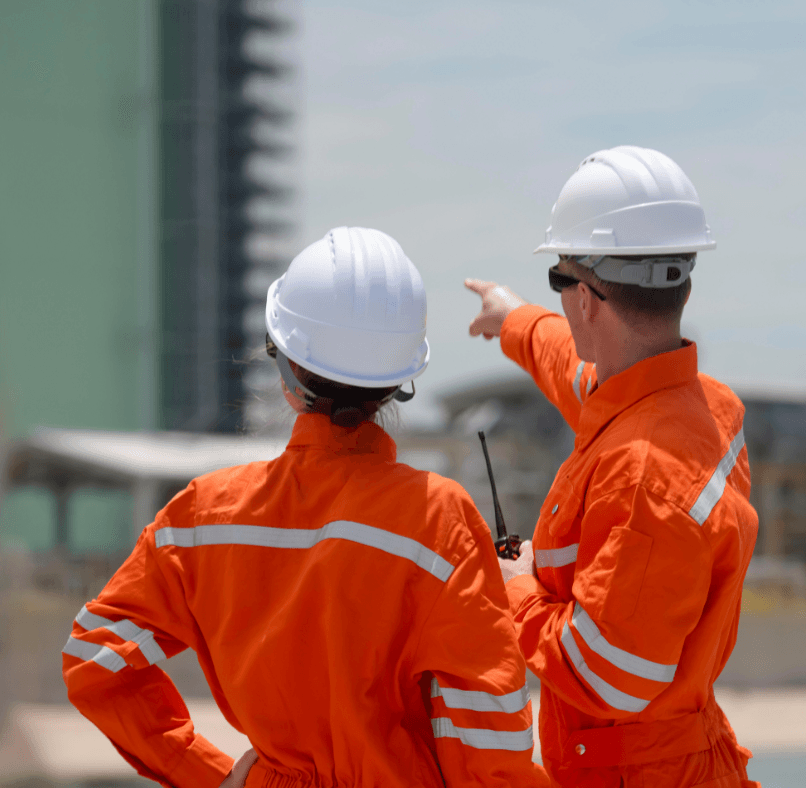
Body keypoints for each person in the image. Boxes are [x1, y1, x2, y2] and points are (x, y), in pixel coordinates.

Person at [63, 226, 548, 788]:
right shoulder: (437, 519)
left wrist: (212, 776)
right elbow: (490, 740)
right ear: (399, 383)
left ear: (284, 364)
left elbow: (95, 659)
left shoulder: (202, 515)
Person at [465, 146, 761, 788]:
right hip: (687, 755)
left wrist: (514, 587)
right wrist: (512, 316)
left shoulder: (644, 480)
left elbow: (609, 674)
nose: (563, 303)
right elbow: (565, 363)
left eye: (559, 279)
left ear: (590, 302)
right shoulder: (698, 407)